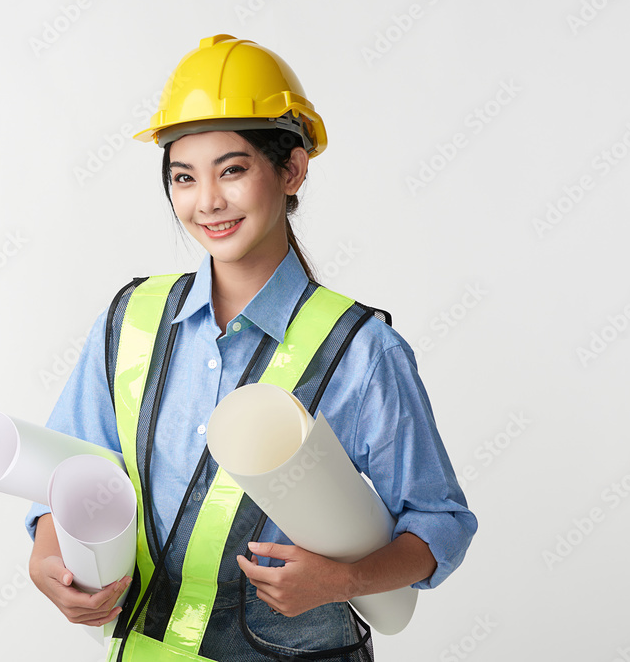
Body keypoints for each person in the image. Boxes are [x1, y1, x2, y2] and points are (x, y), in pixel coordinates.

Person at [26, 34, 477, 661]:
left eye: (232, 170)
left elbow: (439, 523)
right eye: (184, 177)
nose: (207, 201)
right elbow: (72, 471)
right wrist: (47, 556)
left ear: (291, 170)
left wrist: (342, 582)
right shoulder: (131, 321)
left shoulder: (362, 351)